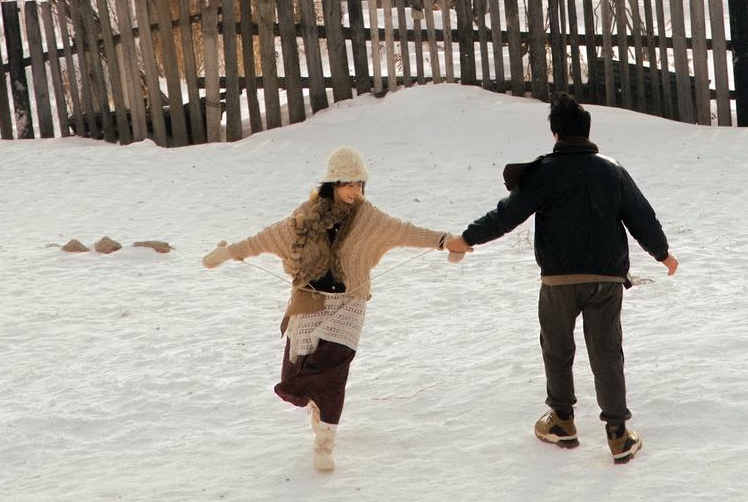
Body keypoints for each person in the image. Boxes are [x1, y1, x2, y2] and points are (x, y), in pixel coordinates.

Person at [202, 145, 470, 471]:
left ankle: (326, 439)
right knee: (295, 371)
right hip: (310, 299)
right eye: (347, 184)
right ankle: (315, 404)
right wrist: (229, 252)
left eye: (359, 184)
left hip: (348, 302)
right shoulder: (307, 215)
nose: (354, 191)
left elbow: (403, 231)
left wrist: (445, 241)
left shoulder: (368, 218)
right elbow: (269, 236)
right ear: (332, 183)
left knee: (333, 367)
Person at [446, 93, 678, 464]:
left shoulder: (545, 172)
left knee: (557, 348)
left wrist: (467, 237)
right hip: (605, 279)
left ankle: (562, 420)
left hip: (558, 280)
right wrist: (662, 253)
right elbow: (641, 216)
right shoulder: (612, 169)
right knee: (606, 352)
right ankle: (618, 433)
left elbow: (506, 215)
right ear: (587, 132)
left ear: (555, 133)